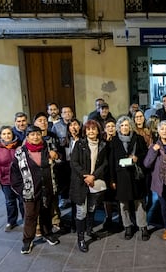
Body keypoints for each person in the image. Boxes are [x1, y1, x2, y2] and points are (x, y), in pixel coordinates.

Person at [10, 125, 60, 254]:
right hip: (29, 191)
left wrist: (56, 156)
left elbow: (58, 163)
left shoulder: (48, 149)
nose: (36, 137)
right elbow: (14, 174)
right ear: (27, 137)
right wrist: (22, 190)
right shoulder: (20, 153)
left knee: (46, 213)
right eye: (32, 135)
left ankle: (47, 233)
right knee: (30, 216)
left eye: (38, 134)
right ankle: (27, 241)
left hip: (47, 189)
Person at [70, 120, 108, 252]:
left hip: (95, 181)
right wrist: (86, 176)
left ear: (98, 130)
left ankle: (89, 230)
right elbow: (74, 163)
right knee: (82, 211)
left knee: (92, 208)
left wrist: (94, 176)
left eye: (93, 129)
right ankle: (81, 239)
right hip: (81, 182)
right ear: (85, 131)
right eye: (88, 129)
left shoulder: (103, 144)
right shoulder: (79, 144)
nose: (91, 131)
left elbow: (104, 163)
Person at [109, 116, 149, 241]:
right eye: (122, 125)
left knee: (139, 202)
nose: (124, 127)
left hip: (136, 176)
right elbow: (111, 162)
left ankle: (143, 227)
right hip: (121, 177)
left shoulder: (138, 138)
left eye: (126, 125)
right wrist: (112, 180)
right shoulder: (114, 141)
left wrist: (138, 158)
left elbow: (145, 155)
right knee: (123, 203)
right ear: (118, 128)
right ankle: (128, 226)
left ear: (130, 126)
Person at [0, 125, 24, 232]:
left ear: (12, 134)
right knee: (10, 202)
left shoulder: (19, 146)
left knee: (23, 201)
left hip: (19, 180)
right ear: (1, 136)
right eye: (4, 134)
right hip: (5, 181)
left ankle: (26, 220)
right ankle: (11, 222)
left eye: (9, 133)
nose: (7, 136)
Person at [33, 112, 62, 234]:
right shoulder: (31, 137)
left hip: (52, 172)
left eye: (45, 120)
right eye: (40, 120)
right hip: (38, 174)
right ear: (35, 123)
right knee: (39, 200)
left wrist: (57, 156)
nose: (43, 122)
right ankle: (38, 225)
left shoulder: (52, 135)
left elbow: (59, 152)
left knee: (53, 197)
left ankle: (55, 220)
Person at [52, 106, 74, 209]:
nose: (67, 114)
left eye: (69, 112)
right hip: (63, 156)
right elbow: (53, 140)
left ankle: (72, 198)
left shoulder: (76, 124)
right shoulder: (56, 126)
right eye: (65, 112)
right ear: (61, 114)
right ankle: (64, 198)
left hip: (74, 156)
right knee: (63, 179)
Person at [66, 118, 82, 233]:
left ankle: (82, 223)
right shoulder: (67, 141)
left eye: (75, 124)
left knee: (80, 199)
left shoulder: (83, 141)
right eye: (71, 125)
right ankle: (73, 222)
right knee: (72, 200)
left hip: (80, 173)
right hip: (69, 173)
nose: (73, 127)